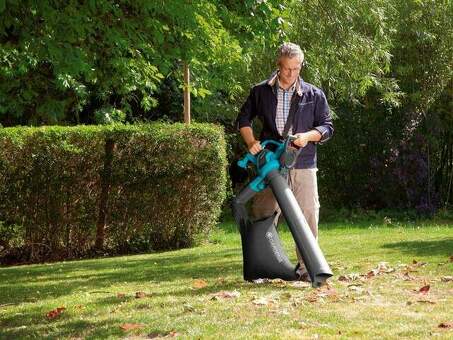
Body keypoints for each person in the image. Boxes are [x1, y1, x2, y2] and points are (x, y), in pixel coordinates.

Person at [235, 42, 334, 281]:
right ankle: (263, 268)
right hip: (270, 165)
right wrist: (251, 143)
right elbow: (243, 120)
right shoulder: (260, 91)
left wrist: (307, 137)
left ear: (301, 66)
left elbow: (327, 127)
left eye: (296, 68)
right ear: (278, 65)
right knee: (263, 213)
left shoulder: (313, 94)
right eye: (287, 68)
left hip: (303, 163)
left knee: (308, 214)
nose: (291, 74)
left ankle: (306, 270)